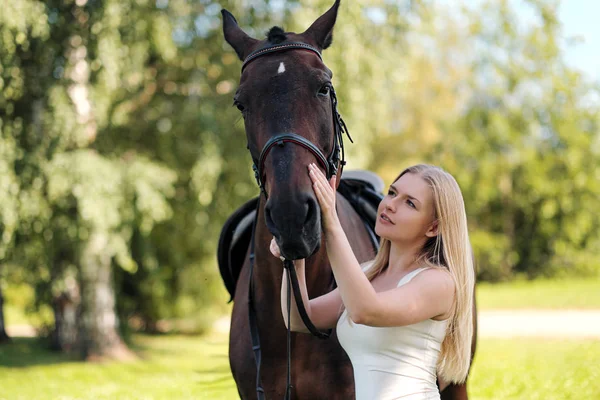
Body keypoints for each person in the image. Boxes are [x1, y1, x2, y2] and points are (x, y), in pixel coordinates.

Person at [270, 163, 474, 400]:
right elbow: (300, 319)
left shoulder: (439, 282)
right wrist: (296, 256)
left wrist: (330, 220)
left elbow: (365, 311)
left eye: (409, 203)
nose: (390, 205)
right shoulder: (368, 274)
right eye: (392, 192)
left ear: (433, 227)